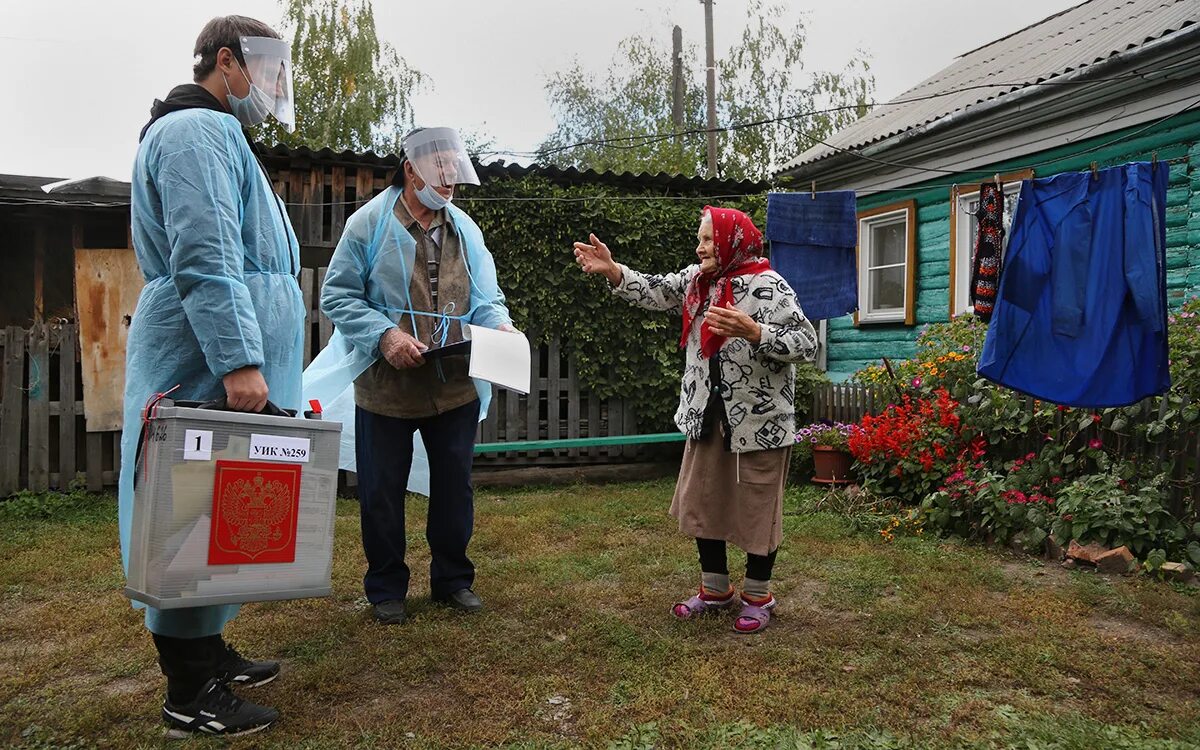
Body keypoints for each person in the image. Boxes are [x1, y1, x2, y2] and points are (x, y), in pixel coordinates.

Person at [122, 15, 303, 736]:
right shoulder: (194, 133)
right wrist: (239, 361)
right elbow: (206, 256)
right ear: (226, 62)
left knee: (219, 512)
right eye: (268, 70)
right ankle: (189, 693)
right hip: (203, 358)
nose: (274, 87)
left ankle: (210, 650)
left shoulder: (217, 132)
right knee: (186, 513)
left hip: (214, 354)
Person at [573, 207, 818, 634]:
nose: (699, 246)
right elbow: (655, 290)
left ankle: (759, 595)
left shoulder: (770, 286)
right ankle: (715, 589)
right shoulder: (698, 281)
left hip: (759, 422)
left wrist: (756, 332)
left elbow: (806, 343)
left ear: (729, 241)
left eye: (707, 239)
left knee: (758, 507)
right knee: (705, 500)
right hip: (706, 413)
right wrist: (614, 272)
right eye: (700, 239)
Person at [318, 126, 514, 626]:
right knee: (381, 490)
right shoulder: (368, 225)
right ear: (412, 169)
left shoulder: (465, 229)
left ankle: (453, 580)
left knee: (455, 487)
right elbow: (338, 296)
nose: (450, 180)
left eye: (454, 168)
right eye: (440, 169)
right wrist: (386, 338)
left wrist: (500, 325)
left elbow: (487, 299)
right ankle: (386, 588)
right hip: (386, 389)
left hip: (454, 387)